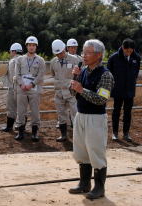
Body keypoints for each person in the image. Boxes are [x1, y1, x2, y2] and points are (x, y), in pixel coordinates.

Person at [69, 39, 114, 200]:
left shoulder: (106, 75)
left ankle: (99, 187)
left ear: (98, 55)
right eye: (83, 52)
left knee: (96, 152)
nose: (84, 56)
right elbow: (72, 92)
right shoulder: (83, 71)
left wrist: (82, 89)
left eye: (87, 53)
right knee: (81, 151)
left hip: (96, 119)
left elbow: (101, 100)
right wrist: (75, 77)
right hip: (81, 116)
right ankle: (84, 183)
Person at [107, 38, 141, 142]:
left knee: (128, 112)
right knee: (116, 112)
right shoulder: (114, 58)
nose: (128, 53)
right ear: (122, 47)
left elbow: (136, 72)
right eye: (126, 50)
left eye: (130, 51)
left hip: (130, 90)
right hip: (117, 90)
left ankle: (126, 133)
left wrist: (131, 81)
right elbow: (109, 72)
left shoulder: (136, 57)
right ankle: (115, 133)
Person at [14, 36, 46, 141]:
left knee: (35, 111)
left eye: (33, 45)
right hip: (22, 89)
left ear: (36, 47)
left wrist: (31, 84)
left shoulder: (40, 60)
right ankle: (21, 131)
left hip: (34, 89)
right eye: (29, 45)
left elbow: (41, 75)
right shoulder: (19, 59)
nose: (31, 47)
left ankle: (35, 132)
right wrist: (21, 84)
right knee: (21, 111)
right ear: (26, 46)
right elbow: (16, 74)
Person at [50, 39, 79, 142]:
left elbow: (80, 75)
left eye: (61, 53)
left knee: (75, 114)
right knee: (61, 114)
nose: (60, 55)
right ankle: (63, 135)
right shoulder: (53, 62)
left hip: (72, 93)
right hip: (59, 92)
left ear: (64, 49)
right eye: (57, 54)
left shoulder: (75, 60)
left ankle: (78, 137)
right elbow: (54, 74)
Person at [2, 43, 23, 132]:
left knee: (11, 107)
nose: (10, 53)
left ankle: (9, 126)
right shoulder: (25, 59)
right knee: (22, 108)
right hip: (23, 88)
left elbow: (11, 76)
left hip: (13, 87)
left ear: (14, 51)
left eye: (10, 51)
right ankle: (22, 127)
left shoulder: (13, 61)